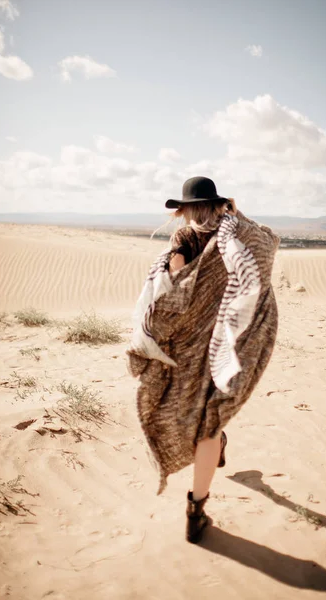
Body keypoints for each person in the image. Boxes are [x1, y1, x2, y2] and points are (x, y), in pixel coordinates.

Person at [126, 176, 279, 544]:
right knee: (210, 421)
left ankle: (214, 445)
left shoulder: (184, 238)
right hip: (234, 341)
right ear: (220, 204)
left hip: (190, 349)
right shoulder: (241, 235)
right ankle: (196, 509)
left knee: (193, 414)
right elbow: (266, 246)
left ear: (185, 209)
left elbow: (176, 285)